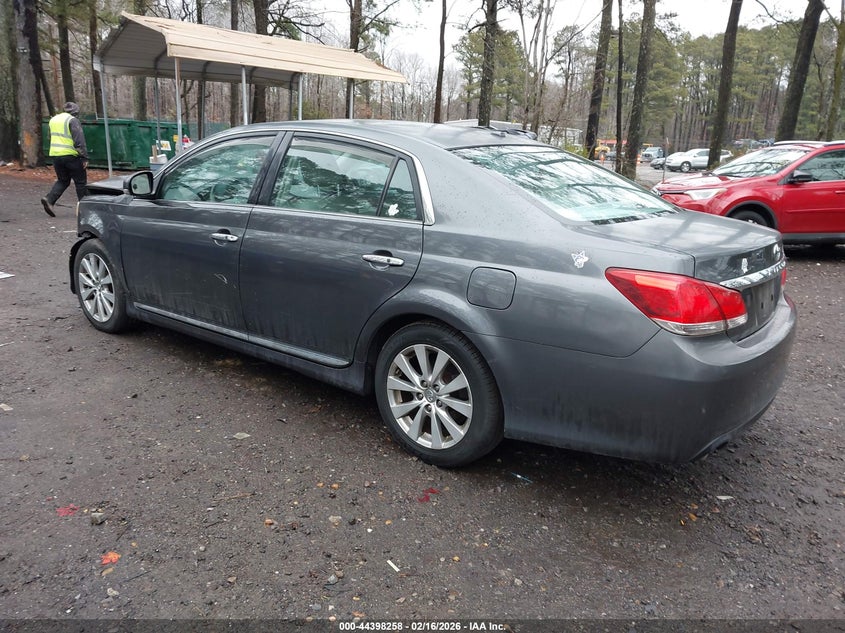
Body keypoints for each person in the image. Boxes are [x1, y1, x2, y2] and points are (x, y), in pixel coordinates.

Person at [41, 102, 89, 217]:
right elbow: (79, 140)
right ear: (75, 112)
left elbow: (50, 137)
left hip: (56, 155)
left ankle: (49, 200)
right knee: (80, 182)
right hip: (71, 155)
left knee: (63, 180)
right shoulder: (72, 120)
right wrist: (84, 157)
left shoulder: (54, 120)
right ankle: (85, 209)